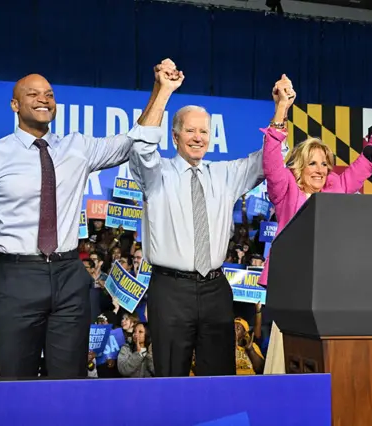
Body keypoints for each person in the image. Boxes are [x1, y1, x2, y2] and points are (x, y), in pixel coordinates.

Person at [0, 60, 178, 379]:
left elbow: (133, 140)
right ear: (15, 105)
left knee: (69, 380)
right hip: (16, 277)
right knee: (16, 379)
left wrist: (161, 90)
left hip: (68, 275)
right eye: (33, 94)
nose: (44, 99)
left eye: (49, 93)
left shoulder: (77, 147)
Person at [129, 63, 266, 377]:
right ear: (175, 136)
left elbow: (265, 163)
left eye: (204, 131)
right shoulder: (156, 174)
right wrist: (163, 91)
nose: (198, 137)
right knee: (171, 377)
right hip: (170, 289)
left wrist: (280, 112)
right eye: (190, 130)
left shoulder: (224, 175)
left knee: (219, 378)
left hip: (215, 289)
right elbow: (141, 145)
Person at [260, 78, 372, 374]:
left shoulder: (336, 188)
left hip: (327, 291)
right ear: (299, 166)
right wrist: (281, 110)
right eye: (313, 164)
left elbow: (366, 162)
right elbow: (272, 160)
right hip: (290, 290)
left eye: (325, 164)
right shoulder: (285, 189)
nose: (321, 170)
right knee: (285, 364)